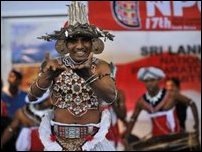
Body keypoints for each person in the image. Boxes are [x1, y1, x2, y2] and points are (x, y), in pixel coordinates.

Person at [27, 2, 117, 151]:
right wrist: (47, 76)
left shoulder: (101, 66)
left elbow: (110, 97)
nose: (80, 46)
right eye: (73, 40)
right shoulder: (53, 65)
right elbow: (31, 97)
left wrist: (89, 77)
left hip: (92, 142)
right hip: (58, 143)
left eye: (85, 40)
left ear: (93, 42)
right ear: (65, 44)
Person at [125, 67, 199, 139]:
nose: (149, 83)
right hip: (157, 140)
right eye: (146, 81)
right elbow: (133, 118)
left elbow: (191, 103)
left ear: (158, 80)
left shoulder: (171, 95)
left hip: (176, 137)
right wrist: (126, 137)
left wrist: (197, 125)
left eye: (152, 80)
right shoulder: (141, 102)